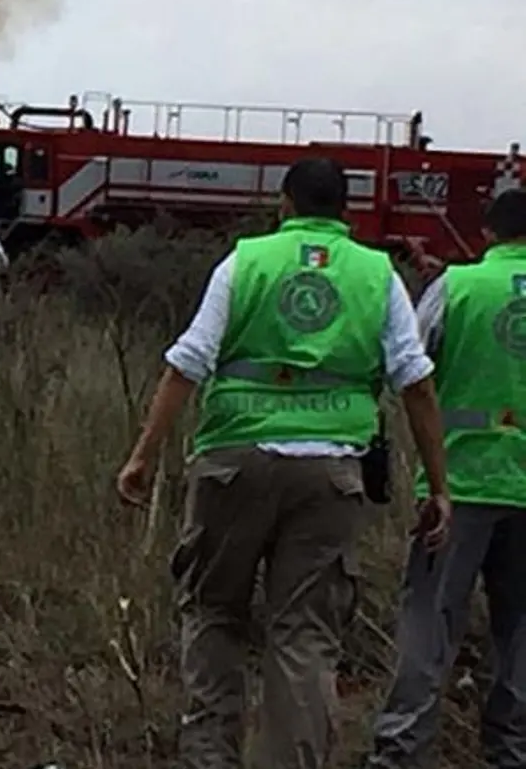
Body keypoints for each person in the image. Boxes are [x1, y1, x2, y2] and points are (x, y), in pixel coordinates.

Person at [114, 155, 452, 769]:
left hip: (232, 463)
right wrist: (440, 487)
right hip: (331, 476)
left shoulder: (245, 262)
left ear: (285, 204)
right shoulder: (377, 273)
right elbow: (417, 383)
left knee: (216, 614)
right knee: (304, 634)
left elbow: (187, 362)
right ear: (344, 211)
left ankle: (210, 760)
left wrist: (143, 456)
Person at [367, 188, 526, 769]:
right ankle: (512, 750)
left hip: (459, 484)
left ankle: (403, 752)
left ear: (487, 234)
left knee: (428, 623)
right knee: (520, 633)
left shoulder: (456, 287)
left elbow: (410, 366)